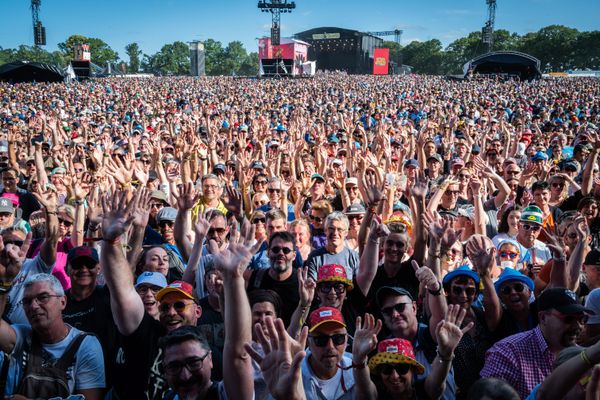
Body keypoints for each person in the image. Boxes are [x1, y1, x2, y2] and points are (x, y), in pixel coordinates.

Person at [0, 273, 105, 399]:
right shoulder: (23, 336)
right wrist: (5, 280)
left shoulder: (86, 346)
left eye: (43, 297)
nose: (33, 306)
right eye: (27, 301)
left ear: (62, 302)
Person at [481, 287, 594, 399]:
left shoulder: (583, 357)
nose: (578, 326)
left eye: (582, 319)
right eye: (568, 319)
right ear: (543, 317)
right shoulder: (507, 353)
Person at [352, 307, 472, 400]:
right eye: (386, 369)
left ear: (413, 370)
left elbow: (437, 383)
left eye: (402, 368)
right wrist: (358, 359)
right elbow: (365, 391)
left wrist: (445, 354)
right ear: (380, 373)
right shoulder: (378, 395)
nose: (394, 376)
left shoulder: (424, 392)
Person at [247, 231, 300, 326]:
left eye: (286, 250)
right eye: (276, 249)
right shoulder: (256, 278)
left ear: (294, 255)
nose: (280, 253)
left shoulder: (302, 283)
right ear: (268, 253)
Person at [305, 212, 359, 282]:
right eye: (331, 228)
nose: (335, 233)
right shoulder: (315, 256)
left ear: (346, 233)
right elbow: (312, 287)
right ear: (325, 231)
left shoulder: (353, 257)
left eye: (340, 229)